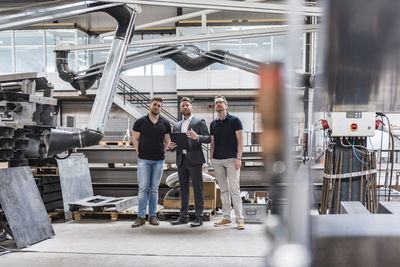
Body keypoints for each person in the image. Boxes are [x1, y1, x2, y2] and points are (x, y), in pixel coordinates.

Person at [169, 97, 211, 227]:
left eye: (187, 105)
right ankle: (183, 216)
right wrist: (171, 146)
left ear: (191, 107)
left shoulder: (199, 122)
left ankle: (199, 217)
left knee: (198, 189)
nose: (185, 107)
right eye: (183, 106)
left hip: (195, 160)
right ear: (180, 108)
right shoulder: (176, 125)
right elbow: (176, 143)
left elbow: (208, 138)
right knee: (183, 189)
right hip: (182, 160)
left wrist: (197, 137)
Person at [131, 97, 171, 228]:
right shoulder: (140, 122)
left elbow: (167, 141)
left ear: (161, 108)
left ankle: (152, 216)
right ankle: (141, 217)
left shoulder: (165, 123)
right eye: (155, 104)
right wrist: (139, 153)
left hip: (159, 160)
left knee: (154, 189)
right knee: (143, 188)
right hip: (144, 160)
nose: (157, 107)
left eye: (159, 105)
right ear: (150, 106)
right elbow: (135, 139)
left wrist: (162, 152)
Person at [210, 95, 245, 230]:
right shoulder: (213, 123)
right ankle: (226, 218)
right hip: (217, 160)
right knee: (223, 190)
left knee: (234, 189)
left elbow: (241, 141)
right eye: (216, 103)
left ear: (226, 105)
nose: (218, 104)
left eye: (221, 102)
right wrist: (212, 157)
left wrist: (239, 158)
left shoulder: (235, 121)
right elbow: (212, 142)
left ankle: (239, 219)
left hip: (232, 160)